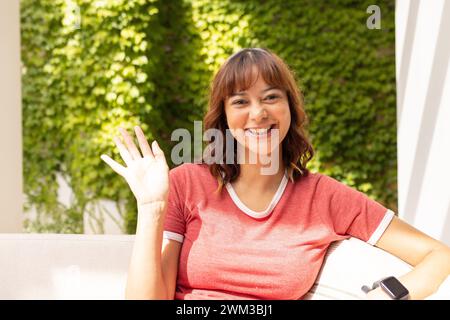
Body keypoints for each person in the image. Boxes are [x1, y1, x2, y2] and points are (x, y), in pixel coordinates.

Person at [101, 48, 450, 300]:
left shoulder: (325, 197)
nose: (258, 113)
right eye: (240, 101)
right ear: (223, 118)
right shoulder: (186, 184)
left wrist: (387, 295)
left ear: (289, 108)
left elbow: (439, 255)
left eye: (271, 97)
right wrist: (151, 208)